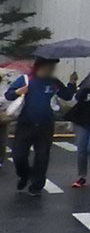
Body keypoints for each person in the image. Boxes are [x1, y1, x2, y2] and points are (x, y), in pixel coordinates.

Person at [3, 58, 76, 195]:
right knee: (19, 155)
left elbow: (66, 95)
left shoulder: (53, 82)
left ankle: (37, 186)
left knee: (42, 156)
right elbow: (8, 95)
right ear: (39, 66)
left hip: (45, 125)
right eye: (48, 66)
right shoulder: (26, 79)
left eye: (52, 67)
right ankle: (24, 174)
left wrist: (72, 83)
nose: (51, 69)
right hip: (25, 124)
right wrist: (18, 92)